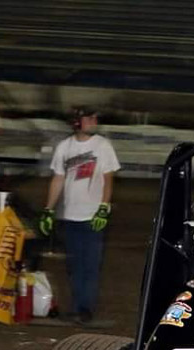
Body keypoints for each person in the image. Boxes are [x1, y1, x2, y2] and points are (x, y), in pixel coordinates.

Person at [38, 107, 120, 324]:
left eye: (94, 118)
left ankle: (86, 308)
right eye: (89, 118)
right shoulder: (65, 147)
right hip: (70, 215)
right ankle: (76, 307)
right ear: (77, 122)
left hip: (92, 215)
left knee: (90, 264)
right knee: (75, 266)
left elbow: (108, 178)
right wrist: (48, 209)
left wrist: (103, 207)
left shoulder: (102, 146)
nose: (94, 122)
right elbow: (58, 179)